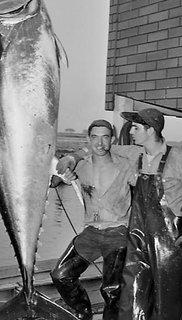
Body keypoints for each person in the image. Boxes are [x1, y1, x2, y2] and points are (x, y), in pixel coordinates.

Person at [57, 108, 182, 320]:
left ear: (150, 130)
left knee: (167, 306)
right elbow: (97, 147)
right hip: (138, 241)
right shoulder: (134, 153)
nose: (131, 131)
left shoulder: (177, 158)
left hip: (169, 245)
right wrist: (72, 157)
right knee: (131, 303)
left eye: (135, 127)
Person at [50, 119, 134, 320]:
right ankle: (83, 314)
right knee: (61, 275)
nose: (100, 143)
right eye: (95, 137)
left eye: (105, 137)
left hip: (118, 231)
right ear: (88, 139)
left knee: (112, 290)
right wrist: (63, 176)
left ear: (112, 139)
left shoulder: (126, 165)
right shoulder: (81, 165)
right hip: (91, 232)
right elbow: (53, 182)